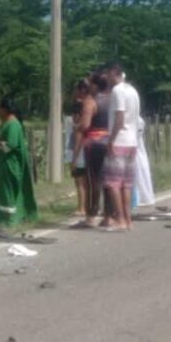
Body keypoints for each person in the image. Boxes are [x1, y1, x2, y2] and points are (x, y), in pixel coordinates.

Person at [0, 97, 39, 230]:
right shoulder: (5, 122)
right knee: (1, 192)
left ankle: (8, 221)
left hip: (10, 164)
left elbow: (11, 145)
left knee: (7, 192)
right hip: (2, 164)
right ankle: (0, 220)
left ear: (5, 109)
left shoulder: (13, 124)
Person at [103, 63, 141, 232]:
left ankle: (120, 219)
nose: (106, 78)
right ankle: (128, 219)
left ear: (114, 73)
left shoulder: (118, 91)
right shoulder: (133, 90)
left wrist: (111, 139)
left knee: (113, 183)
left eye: (107, 74)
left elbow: (119, 116)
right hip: (132, 141)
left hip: (119, 140)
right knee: (126, 184)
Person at [83, 72, 110, 226]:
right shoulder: (113, 99)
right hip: (110, 142)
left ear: (95, 85)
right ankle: (109, 215)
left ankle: (91, 215)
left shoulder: (91, 101)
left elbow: (85, 125)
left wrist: (77, 125)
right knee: (109, 179)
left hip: (94, 143)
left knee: (93, 180)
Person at [69, 81, 91, 218]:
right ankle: (86, 206)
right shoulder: (89, 103)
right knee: (85, 180)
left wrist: (74, 157)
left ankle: (81, 207)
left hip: (80, 150)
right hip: (87, 148)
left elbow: (78, 134)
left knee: (80, 180)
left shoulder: (82, 107)